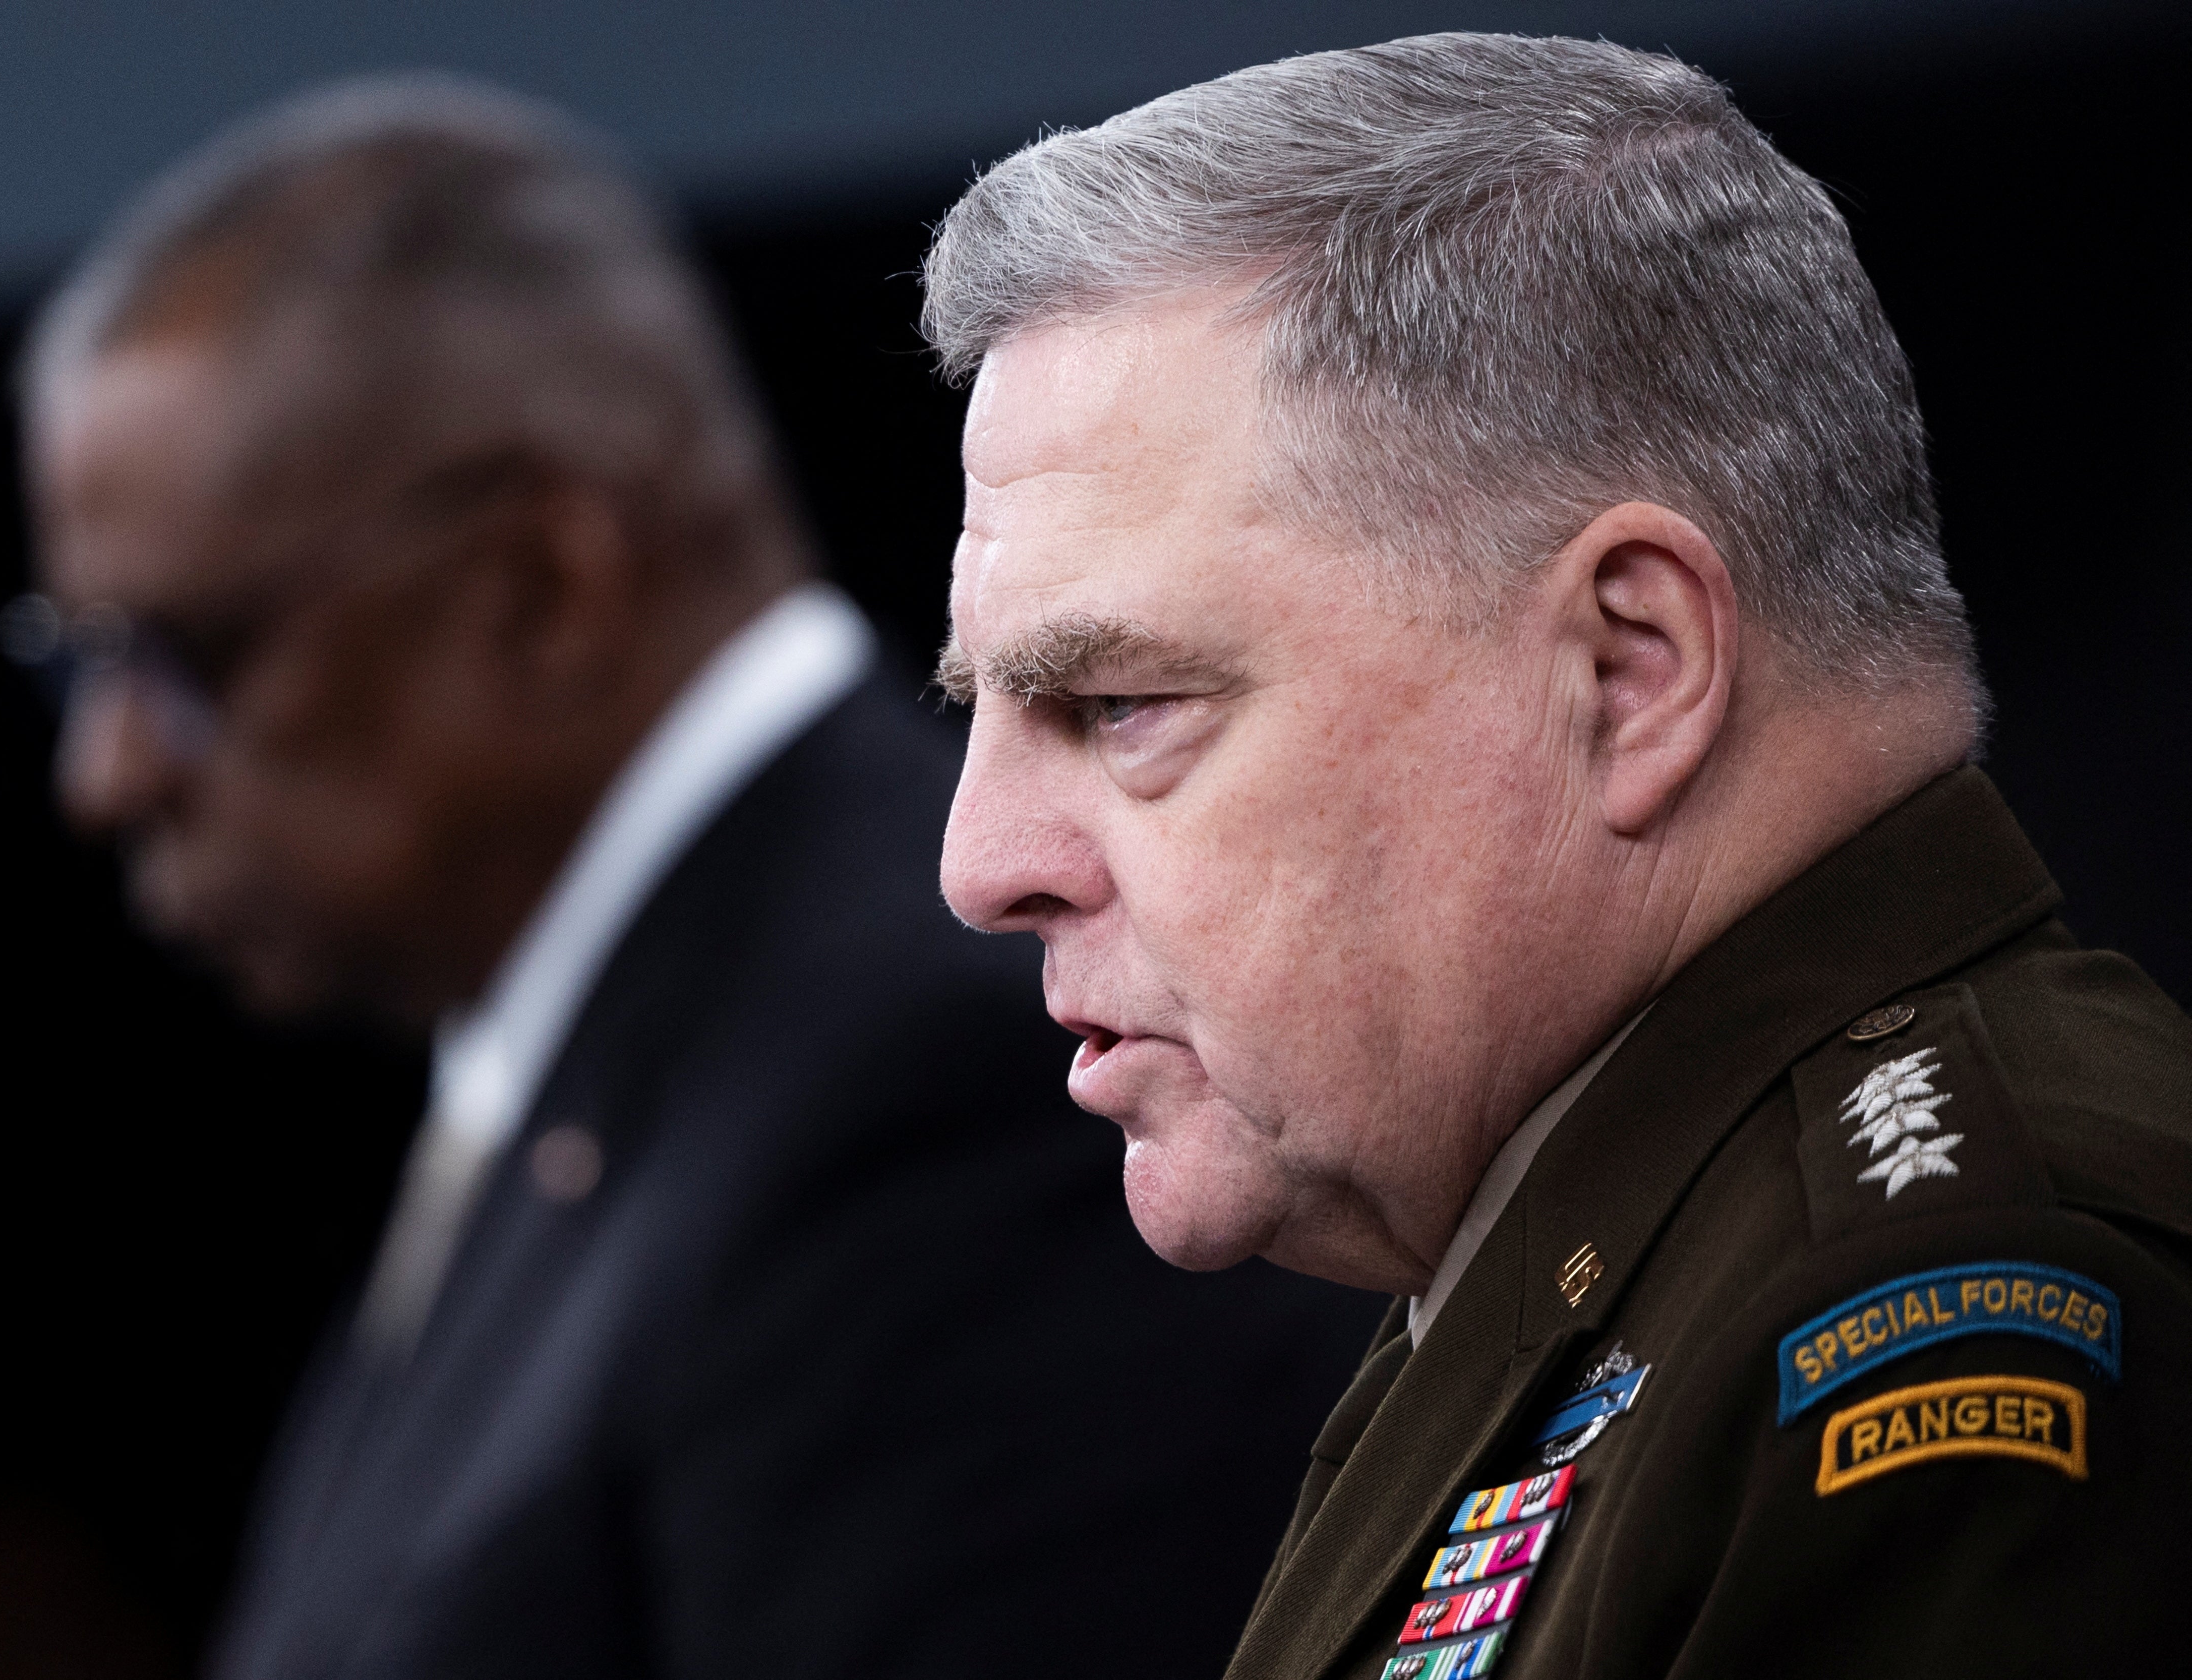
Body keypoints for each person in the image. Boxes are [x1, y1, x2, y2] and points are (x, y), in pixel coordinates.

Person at [14, 76, 1382, 1680]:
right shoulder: (607, 1068)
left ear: (542, 586)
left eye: (181, 658)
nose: (105, 773)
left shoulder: (938, 1089)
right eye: (78, 661)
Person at [923, 33, 2190, 1679]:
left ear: (1627, 671)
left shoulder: (1939, 1325)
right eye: (981, 709)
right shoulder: (1622, 1239)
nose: (979, 861)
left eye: (1120, 702)